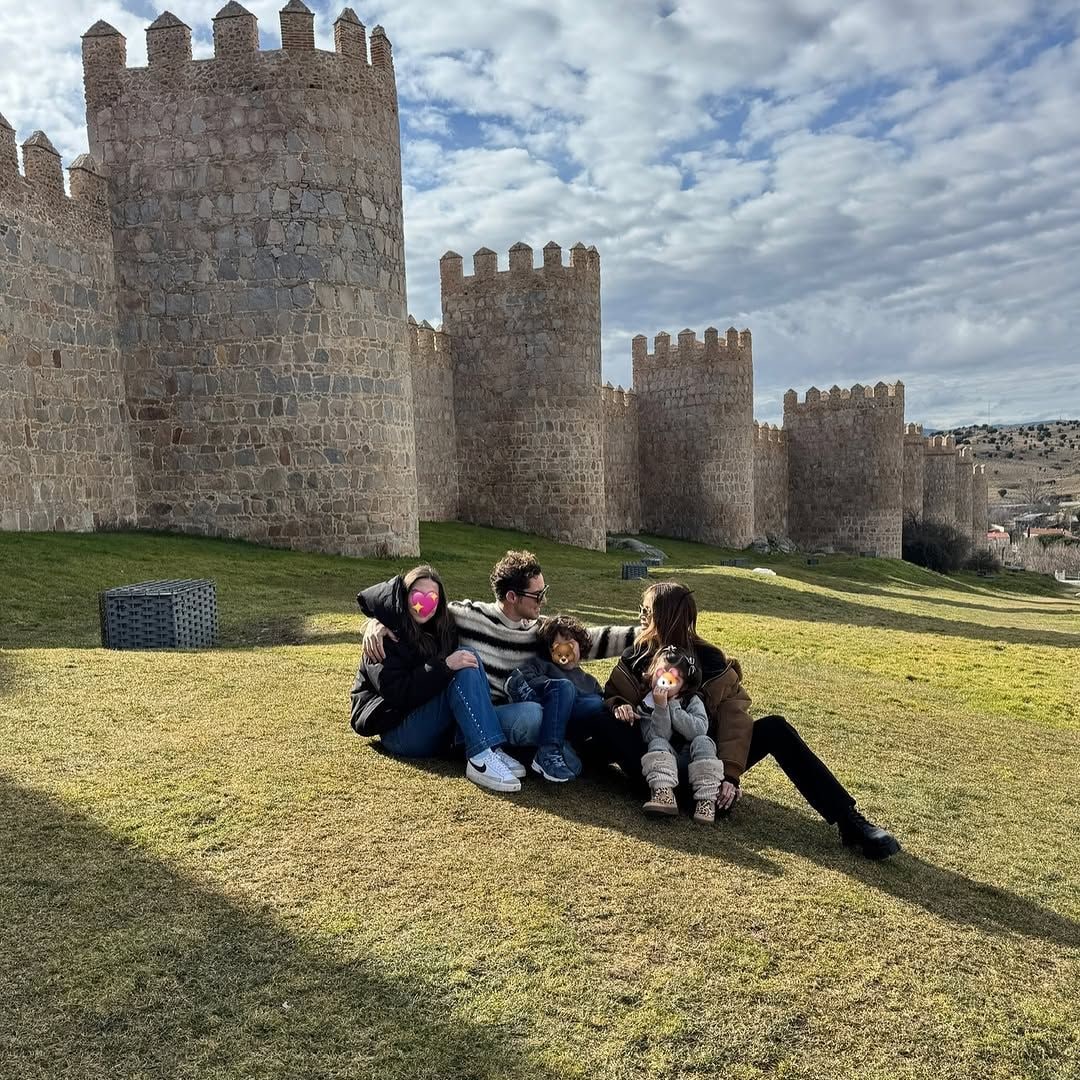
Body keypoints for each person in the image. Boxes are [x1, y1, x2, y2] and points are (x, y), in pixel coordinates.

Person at [605, 581, 901, 859]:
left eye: (646, 611)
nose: (641, 617)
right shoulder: (635, 656)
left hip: (704, 769)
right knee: (601, 715)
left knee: (775, 728)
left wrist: (730, 776)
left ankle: (850, 822)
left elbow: (735, 718)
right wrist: (619, 705)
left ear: (665, 616)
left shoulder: (709, 660)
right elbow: (612, 694)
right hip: (652, 767)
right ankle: (583, 769)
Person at [362, 550, 641, 773]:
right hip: (470, 709)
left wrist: (647, 634)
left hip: (503, 714)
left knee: (568, 708)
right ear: (511, 597)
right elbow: (418, 610)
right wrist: (377, 622)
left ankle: (547, 751)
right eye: (537, 595)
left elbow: (592, 640)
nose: (543, 601)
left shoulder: (538, 632)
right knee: (530, 713)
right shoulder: (467, 616)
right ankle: (482, 747)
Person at [352, 564, 526, 793]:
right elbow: (398, 694)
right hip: (398, 731)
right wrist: (443, 667)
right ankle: (481, 757)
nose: (424, 604)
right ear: (405, 597)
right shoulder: (383, 638)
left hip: (430, 724)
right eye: (418, 596)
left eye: (432, 598)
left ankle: (489, 747)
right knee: (459, 662)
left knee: (467, 658)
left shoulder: (441, 628)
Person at [609, 646, 725, 823]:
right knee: (657, 743)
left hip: (694, 764)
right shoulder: (647, 704)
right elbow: (656, 736)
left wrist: (673, 706)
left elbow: (698, 730)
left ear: (684, 685)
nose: (663, 680)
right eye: (660, 673)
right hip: (665, 767)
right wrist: (661, 707)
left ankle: (706, 800)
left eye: (673, 678)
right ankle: (664, 793)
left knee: (703, 741)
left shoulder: (692, 701)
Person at [504, 614, 606, 782]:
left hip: (570, 725)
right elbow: (525, 674)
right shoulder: (543, 664)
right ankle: (548, 750)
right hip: (545, 706)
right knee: (564, 687)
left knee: (596, 703)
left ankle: (553, 749)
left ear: (581, 646)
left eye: (571, 644)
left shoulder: (590, 682)